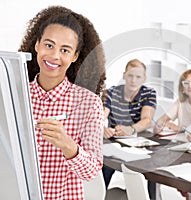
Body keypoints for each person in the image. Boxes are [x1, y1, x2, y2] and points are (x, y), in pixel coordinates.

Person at [18, 6, 106, 199]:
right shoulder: (16, 95)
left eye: (65, 50)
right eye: (49, 45)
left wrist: (68, 146)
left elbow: (91, 171)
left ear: (75, 56)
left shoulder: (88, 103)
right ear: (37, 45)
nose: (55, 56)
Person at [102, 58, 157, 196]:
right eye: (130, 75)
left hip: (139, 140)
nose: (133, 80)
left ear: (144, 78)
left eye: (138, 77)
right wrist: (102, 128)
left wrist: (131, 129)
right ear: (124, 75)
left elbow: (147, 120)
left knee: (153, 170)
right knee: (105, 165)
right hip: (115, 140)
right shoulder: (111, 92)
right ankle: (100, 194)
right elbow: (101, 116)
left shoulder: (148, 93)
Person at [153, 69, 191, 134]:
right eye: (186, 83)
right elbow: (160, 121)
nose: (190, 86)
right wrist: (159, 126)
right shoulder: (180, 102)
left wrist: (174, 127)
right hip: (182, 139)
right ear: (182, 88)